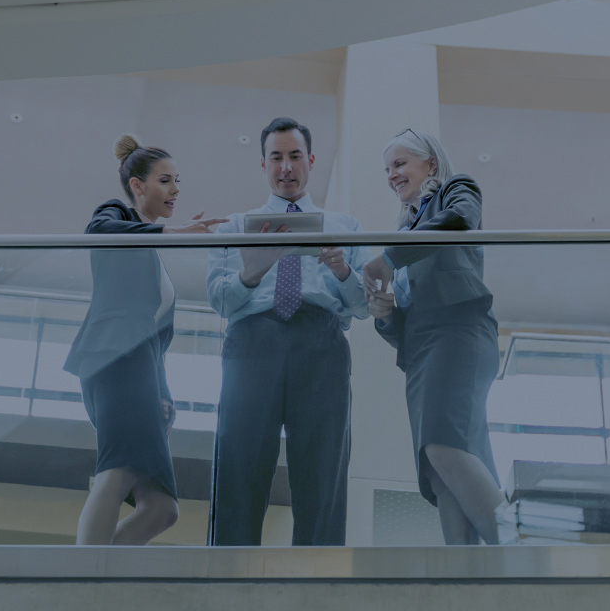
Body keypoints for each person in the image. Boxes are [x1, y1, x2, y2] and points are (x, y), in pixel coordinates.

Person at [205, 116, 367, 545]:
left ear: (311, 161)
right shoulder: (236, 226)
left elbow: (364, 305)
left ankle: (316, 588)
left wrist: (343, 269)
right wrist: (251, 275)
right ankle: (227, 584)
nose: (286, 167)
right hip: (252, 344)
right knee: (238, 464)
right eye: (276, 157)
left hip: (322, 344)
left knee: (323, 471)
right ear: (263, 165)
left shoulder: (345, 226)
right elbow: (220, 301)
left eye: (295, 156)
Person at [67, 134, 228, 545]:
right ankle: (82, 581)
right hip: (114, 361)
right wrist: (171, 230)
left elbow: (153, 342)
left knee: (162, 509)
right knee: (116, 470)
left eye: (178, 181)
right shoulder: (116, 213)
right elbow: (97, 231)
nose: (176, 190)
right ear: (138, 186)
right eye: (165, 181)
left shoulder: (150, 252)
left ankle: (98, 575)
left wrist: (163, 392)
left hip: (139, 372)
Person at [362, 128, 503, 545]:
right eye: (387, 169)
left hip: (460, 332)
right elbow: (406, 326)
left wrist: (389, 256)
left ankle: (515, 553)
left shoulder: (457, 191)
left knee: (443, 448)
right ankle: (464, 579)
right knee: (437, 470)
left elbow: (460, 222)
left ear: (432, 165)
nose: (392, 175)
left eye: (400, 163)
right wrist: (386, 315)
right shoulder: (407, 233)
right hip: (423, 351)